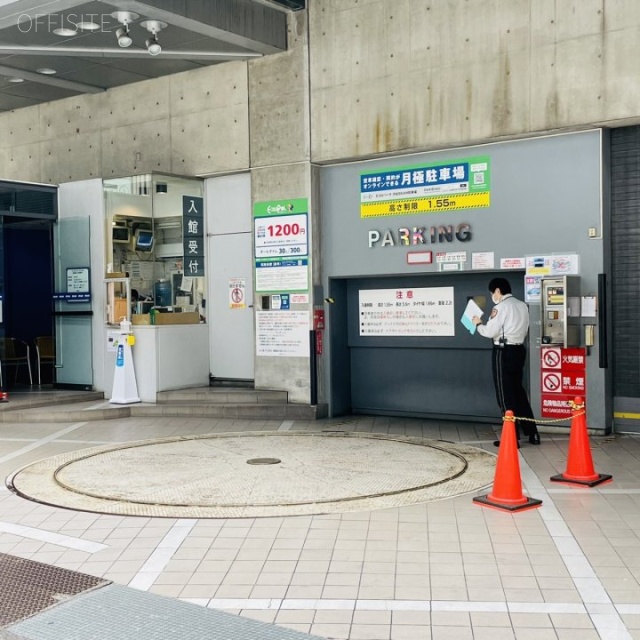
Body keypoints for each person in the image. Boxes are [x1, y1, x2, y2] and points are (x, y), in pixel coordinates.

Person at [472, 277, 540, 447]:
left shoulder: (500, 307)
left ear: (497, 291)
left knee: (504, 393)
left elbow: (490, 331)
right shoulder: (522, 305)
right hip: (519, 349)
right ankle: (533, 433)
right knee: (518, 391)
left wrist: (478, 324)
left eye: (492, 293)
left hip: (503, 352)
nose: (492, 297)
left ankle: (511, 437)